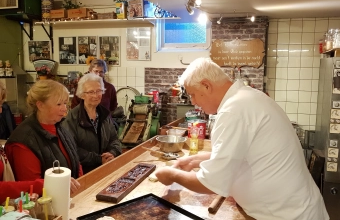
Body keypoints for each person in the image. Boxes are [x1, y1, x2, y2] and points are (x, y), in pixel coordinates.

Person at [154, 57, 329, 220]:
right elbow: (243, 154)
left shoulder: (234, 110)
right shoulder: (246, 97)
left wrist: (173, 174)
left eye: (193, 94)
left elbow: (210, 184)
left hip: (286, 214)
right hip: (293, 209)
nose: (193, 102)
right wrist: (194, 160)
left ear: (206, 86)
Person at [5, 80, 82, 194]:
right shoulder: (24, 140)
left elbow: (76, 162)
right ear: (40, 105)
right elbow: (31, 186)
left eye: (65, 103)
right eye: (59, 104)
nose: (65, 109)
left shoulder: (60, 126)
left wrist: (80, 184)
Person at [62, 73, 122, 174]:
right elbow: (71, 149)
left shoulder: (104, 114)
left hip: (106, 169)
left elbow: (114, 139)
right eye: (90, 92)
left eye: (99, 91)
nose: (95, 95)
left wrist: (112, 153)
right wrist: (99, 159)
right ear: (82, 94)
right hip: (83, 174)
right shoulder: (72, 118)